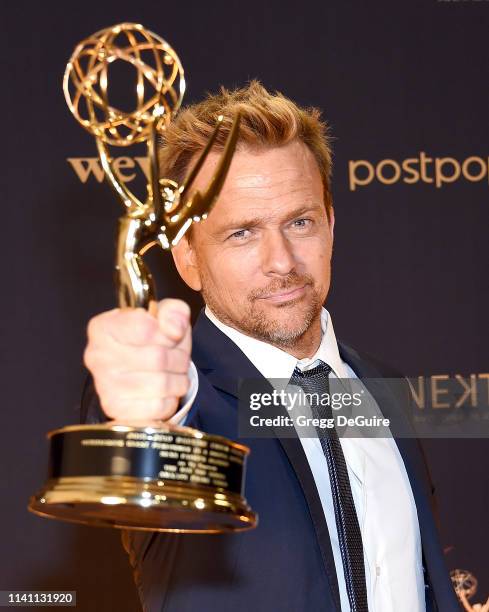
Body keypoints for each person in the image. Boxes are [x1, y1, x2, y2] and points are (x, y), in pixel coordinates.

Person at [82, 82, 460, 612]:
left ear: (331, 224)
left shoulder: (383, 387)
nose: (281, 260)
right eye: (241, 233)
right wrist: (142, 414)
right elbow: (143, 430)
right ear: (187, 255)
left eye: (299, 222)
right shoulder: (187, 394)